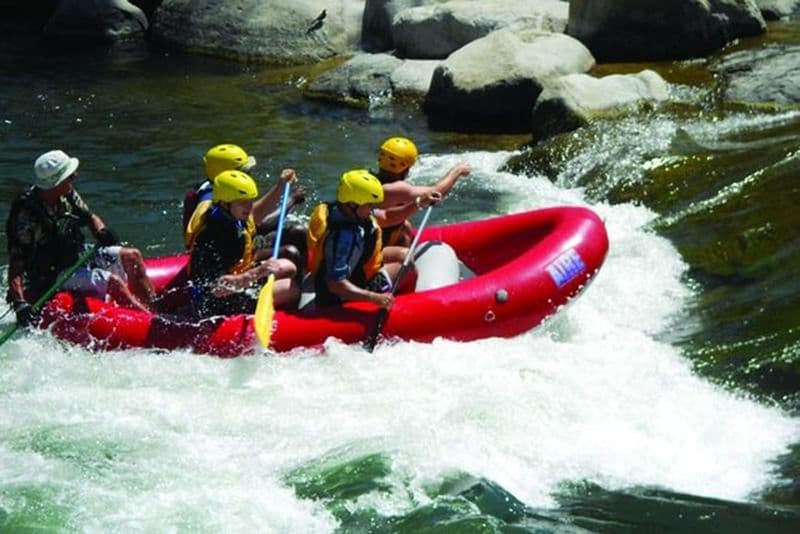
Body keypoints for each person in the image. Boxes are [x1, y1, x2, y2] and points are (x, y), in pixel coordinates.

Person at [6, 149, 156, 325]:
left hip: (76, 254)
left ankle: (154, 311)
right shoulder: (26, 216)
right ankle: (149, 323)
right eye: (70, 176)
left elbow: (90, 217)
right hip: (52, 274)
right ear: (56, 183)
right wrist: (20, 303)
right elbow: (17, 264)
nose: (74, 176)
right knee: (113, 282)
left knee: (133, 256)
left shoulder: (66, 193)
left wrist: (102, 232)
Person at [189, 170, 299, 318]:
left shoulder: (232, 214)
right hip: (217, 302)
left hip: (238, 278)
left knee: (288, 266)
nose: (249, 207)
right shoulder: (214, 237)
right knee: (291, 289)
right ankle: (285, 322)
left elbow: (259, 211)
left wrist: (281, 186)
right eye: (243, 202)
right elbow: (217, 288)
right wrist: (258, 272)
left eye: (250, 200)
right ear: (224, 203)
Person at [183, 143, 307, 270]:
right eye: (245, 171)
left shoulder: (214, 192)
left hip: (242, 245)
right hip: (234, 257)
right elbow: (256, 219)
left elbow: (251, 221)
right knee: (292, 250)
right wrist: (290, 198)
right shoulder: (214, 207)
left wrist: (283, 189)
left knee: (297, 232)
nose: (249, 174)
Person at [306, 169, 406, 309]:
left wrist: (419, 203)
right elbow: (335, 284)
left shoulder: (338, 209)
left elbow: (386, 215)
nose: (372, 209)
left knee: (404, 255)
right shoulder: (343, 237)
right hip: (342, 295)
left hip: (357, 268)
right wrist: (374, 298)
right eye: (369, 205)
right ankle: (405, 308)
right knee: (406, 269)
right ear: (352, 204)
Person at [373, 136, 471, 249]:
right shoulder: (396, 189)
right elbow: (436, 192)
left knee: (405, 225)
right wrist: (457, 171)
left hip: (379, 235)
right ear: (406, 167)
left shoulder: (372, 180)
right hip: (378, 248)